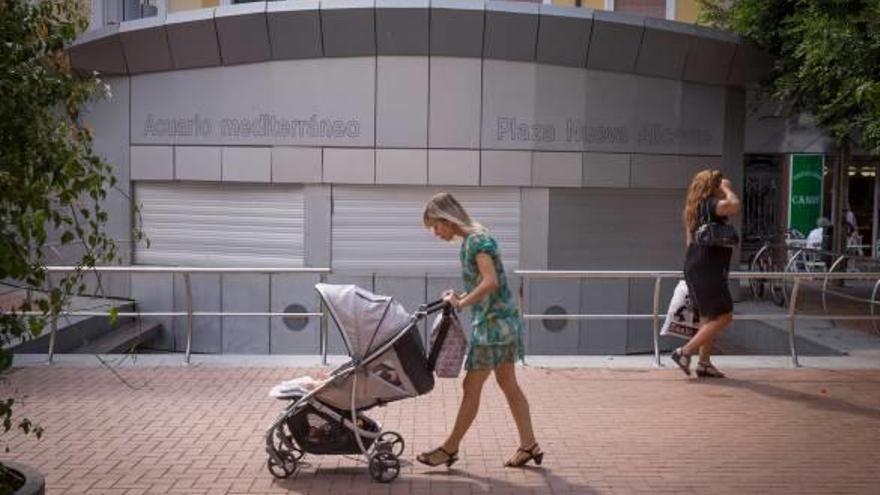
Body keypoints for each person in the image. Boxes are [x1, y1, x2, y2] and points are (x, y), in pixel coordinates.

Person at [416, 192, 543, 468]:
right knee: (508, 384)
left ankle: (449, 449)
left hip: (493, 327)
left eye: (435, 227)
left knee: (471, 385)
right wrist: (459, 294)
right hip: (500, 322)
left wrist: (460, 302)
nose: (436, 234)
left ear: (446, 218)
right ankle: (529, 444)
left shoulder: (477, 240)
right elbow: (484, 284)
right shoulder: (474, 238)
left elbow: (491, 282)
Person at [671, 170, 741, 378]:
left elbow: (688, 242)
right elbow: (735, 205)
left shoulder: (693, 209)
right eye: (718, 183)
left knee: (707, 316)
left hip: (695, 265)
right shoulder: (712, 205)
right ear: (712, 185)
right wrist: (727, 188)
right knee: (725, 315)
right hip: (709, 268)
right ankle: (684, 352)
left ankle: (704, 363)